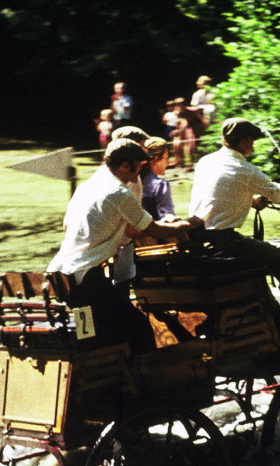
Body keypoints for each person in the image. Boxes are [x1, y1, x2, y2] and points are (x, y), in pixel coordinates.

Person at [49, 139, 199, 351]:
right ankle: (141, 380)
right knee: (138, 328)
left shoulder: (87, 187)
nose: (139, 173)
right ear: (125, 166)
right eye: (138, 166)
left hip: (64, 276)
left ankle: (99, 372)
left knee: (90, 335)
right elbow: (155, 230)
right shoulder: (119, 193)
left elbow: (68, 226)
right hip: (85, 280)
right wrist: (188, 224)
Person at [188, 117, 280, 333]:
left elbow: (218, 193)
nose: (253, 145)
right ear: (244, 142)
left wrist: (251, 200)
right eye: (252, 141)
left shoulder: (206, 161)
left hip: (198, 236)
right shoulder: (245, 169)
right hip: (223, 241)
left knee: (259, 251)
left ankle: (276, 313)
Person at [140, 137, 177, 220]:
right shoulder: (160, 185)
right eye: (166, 158)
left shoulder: (133, 180)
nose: (168, 163)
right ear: (156, 159)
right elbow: (167, 218)